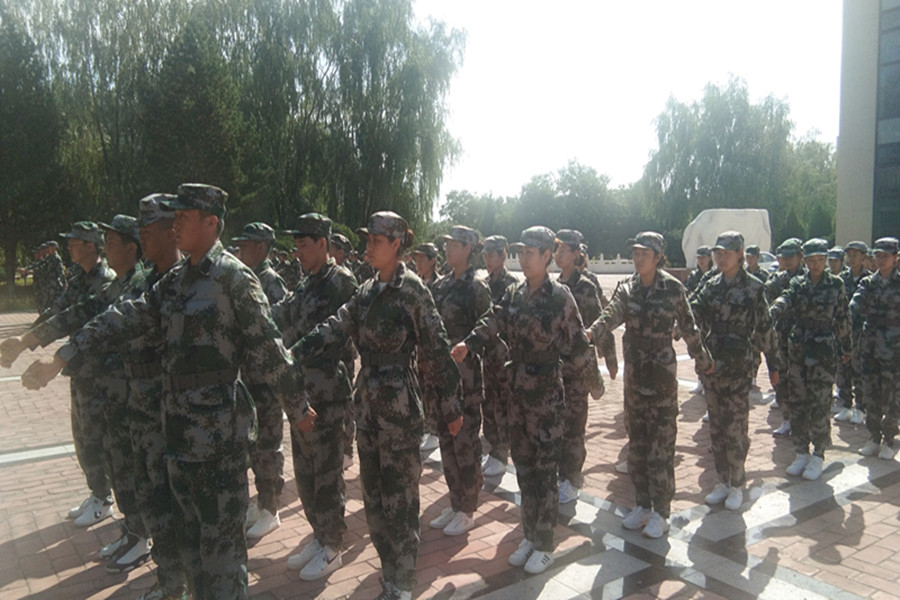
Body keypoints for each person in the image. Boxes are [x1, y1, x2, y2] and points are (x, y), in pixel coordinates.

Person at [21, 184, 315, 600]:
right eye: (173, 217)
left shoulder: (233, 278)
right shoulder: (175, 281)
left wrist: (298, 408)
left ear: (210, 223)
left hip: (218, 441)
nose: (174, 224)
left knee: (222, 556)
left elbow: (270, 349)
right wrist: (63, 355)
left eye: (183, 217)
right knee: (191, 552)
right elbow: (125, 316)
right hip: (176, 436)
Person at [292, 211, 461, 600]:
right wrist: (293, 354)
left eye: (376, 241)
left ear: (396, 244)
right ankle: (389, 576)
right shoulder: (366, 291)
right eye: (366, 239)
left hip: (400, 413)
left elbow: (436, 348)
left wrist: (452, 407)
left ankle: (403, 583)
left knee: (401, 504)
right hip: (367, 411)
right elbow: (334, 326)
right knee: (374, 504)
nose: (368, 247)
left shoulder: (413, 290)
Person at [453, 226, 590, 572]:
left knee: (545, 474)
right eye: (521, 252)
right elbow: (492, 320)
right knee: (525, 471)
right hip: (517, 396)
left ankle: (545, 543)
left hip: (547, 399)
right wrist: (470, 342)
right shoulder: (514, 293)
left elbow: (579, 349)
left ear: (547, 256)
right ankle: (529, 535)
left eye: (531, 253)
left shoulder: (560, 298)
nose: (524, 259)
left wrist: (579, 390)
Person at [584, 232, 712, 537]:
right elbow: (611, 314)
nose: (638, 258)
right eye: (636, 253)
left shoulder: (673, 289)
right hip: (635, 380)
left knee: (661, 448)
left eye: (645, 253)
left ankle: (661, 512)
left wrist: (704, 361)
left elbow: (690, 328)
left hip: (662, 381)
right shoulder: (627, 288)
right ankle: (642, 505)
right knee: (638, 447)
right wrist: (592, 332)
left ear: (657, 257)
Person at [1, 222, 117, 525]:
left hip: (102, 372)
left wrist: (38, 349)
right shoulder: (80, 279)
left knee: (96, 436)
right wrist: (23, 340)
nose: (69, 247)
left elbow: (75, 317)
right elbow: (57, 311)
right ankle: (97, 492)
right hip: (81, 368)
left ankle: (104, 498)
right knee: (81, 433)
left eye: (75, 242)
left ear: (91, 246)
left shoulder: (105, 280)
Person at [273, 213, 358, 580]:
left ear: (323, 244)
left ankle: (332, 544)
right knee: (305, 472)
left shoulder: (341, 282)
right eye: (296, 246)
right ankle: (318, 534)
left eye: (304, 245)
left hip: (327, 392)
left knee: (326, 473)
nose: (298, 252)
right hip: (301, 389)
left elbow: (340, 332)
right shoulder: (307, 282)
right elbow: (283, 314)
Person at [692, 231, 779, 508]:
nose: (720, 258)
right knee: (717, 427)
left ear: (740, 254)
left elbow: (765, 328)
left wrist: (774, 364)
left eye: (726, 253)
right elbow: (692, 311)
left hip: (739, 367)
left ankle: (738, 483)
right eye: (717, 253)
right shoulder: (710, 286)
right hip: (713, 366)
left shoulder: (754, 288)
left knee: (736, 428)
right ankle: (722, 481)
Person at [769, 238, 851, 480]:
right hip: (798, 350)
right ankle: (801, 452)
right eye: (812, 260)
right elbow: (786, 299)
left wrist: (847, 347)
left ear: (826, 260)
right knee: (798, 402)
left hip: (823, 351)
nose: (816, 265)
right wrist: (773, 310)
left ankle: (818, 454)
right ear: (805, 261)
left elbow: (843, 317)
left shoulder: (835, 284)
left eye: (821, 260)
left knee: (820, 403)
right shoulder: (798, 283)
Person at [427, 226, 490, 536]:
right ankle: (455, 502)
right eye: (446, 244)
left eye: (454, 245)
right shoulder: (439, 286)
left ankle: (468, 508)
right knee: (446, 441)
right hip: (441, 376)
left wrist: (469, 343)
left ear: (468, 248)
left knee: (465, 443)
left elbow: (490, 323)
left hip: (465, 378)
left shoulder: (476, 287)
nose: (447, 249)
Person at [232, 222, 289, 539]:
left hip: (266, 381)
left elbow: (279, 330)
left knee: (268, 446)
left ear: (261, 247)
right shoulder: (246, 278)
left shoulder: (271, 282)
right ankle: (262, 500)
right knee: (253, 446)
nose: (240, 250)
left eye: (246, 245)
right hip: (249, 379)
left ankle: (271, 508)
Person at [553, 229, 606, 504]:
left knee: (574, 426)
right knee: (557, 423)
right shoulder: (553, 286)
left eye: (564, 250)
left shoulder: (585, 287)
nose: (558, 254)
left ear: (576, 254)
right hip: (555, 370)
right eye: (556, 249)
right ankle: (560, 473)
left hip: (576, 369)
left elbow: (598, 325)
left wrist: (608, 359)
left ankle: (572, 479)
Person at [850, 237, 900, 460]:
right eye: (878, 256)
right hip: (870, 347)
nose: (881, 260)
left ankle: (889, 440)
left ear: (895, 258)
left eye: (885, 256)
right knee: (870, 393)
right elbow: (855, 305)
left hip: (894, 349)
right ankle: (874, 437)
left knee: (891, 395)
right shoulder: (868, 283)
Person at [479, 235, 517, 477]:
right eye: (485, 255)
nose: (488, 260)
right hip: (486, 355)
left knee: (502, 404)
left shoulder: (512, 285)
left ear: (503, 255)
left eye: (492, 255)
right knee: (488, 403)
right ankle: (494, 449)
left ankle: (501, 453)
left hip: (504, 357)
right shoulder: (483, 284)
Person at [765, 238, 806, 435]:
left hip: (802, 337)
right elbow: (765, 297)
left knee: (800, 380)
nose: (788, 261)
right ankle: (787, 418)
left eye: (792, 257)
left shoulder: (808, 279)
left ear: (800, 256)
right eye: (784, 257)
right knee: (781, 378)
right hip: (780, 335)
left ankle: (801, 422)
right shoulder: (777, 280)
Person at [835, 241, 871, 424]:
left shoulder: (869, 280)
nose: (852, 258)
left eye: (856, 255)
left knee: (859, 370)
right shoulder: (841, 279)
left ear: (864, 257)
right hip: (843, 331)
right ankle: (846, 405)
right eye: (849, 255)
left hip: (861, 332)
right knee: (842, 369)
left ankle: (860, 407)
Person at [412, 242, 442, 453]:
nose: (418, 263)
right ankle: (426, 427)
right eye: (416, 258)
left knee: (433, 389)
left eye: (422, 258)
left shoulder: (440, 286)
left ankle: (434, 431)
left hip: (433, 348)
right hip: (418, 348)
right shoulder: (416, 284)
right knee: (421, 387)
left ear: (433, 261)